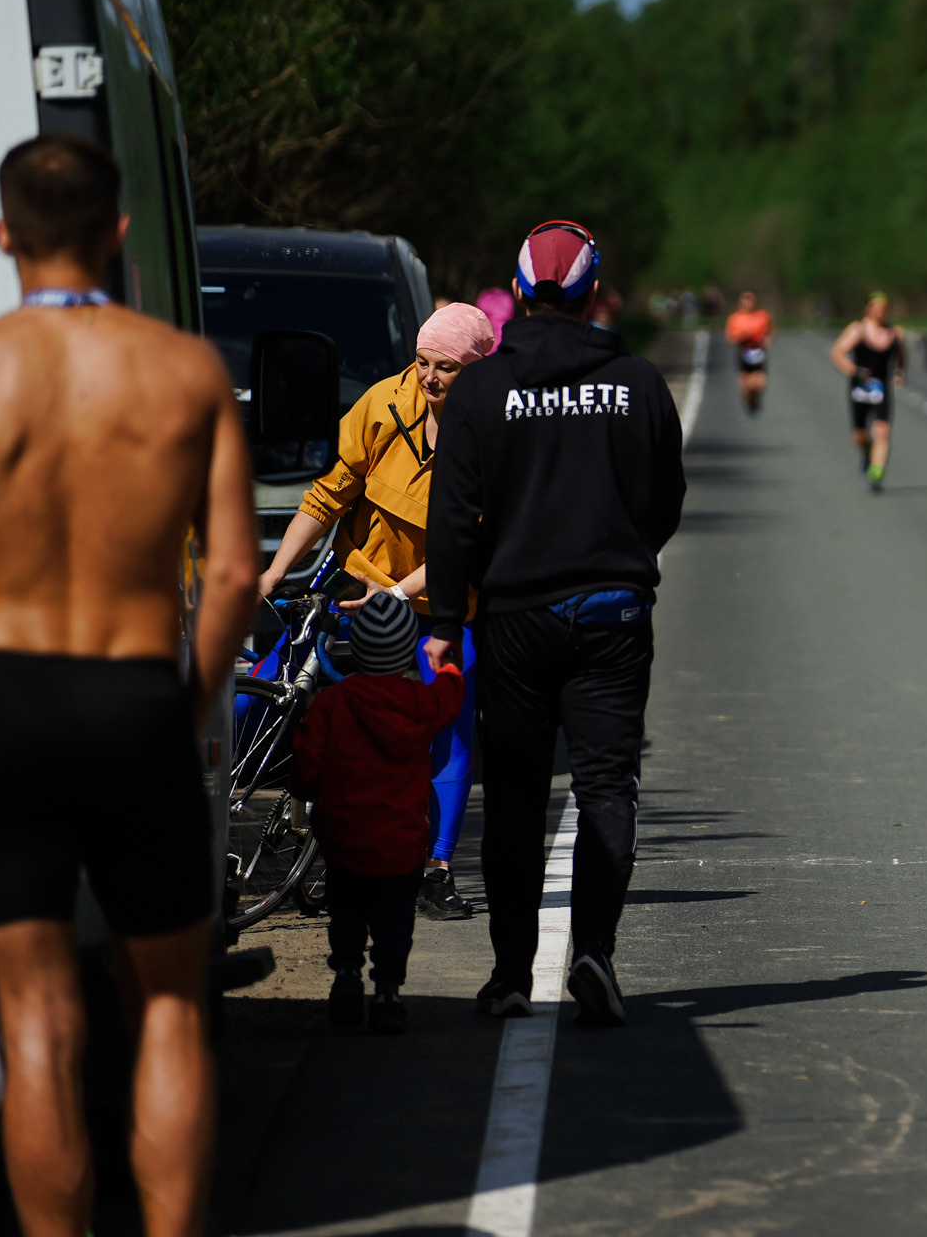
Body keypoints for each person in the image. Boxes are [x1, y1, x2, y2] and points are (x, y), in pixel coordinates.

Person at [0, 134, 259, 1237]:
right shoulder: (186, 371)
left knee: (35, 1018)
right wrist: (183, 705)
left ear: (2, 236)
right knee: (169, 1006)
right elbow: (231, 573)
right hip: (131, 696)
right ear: (119, 234)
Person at [426, 220, 685, 1027]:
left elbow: (452, 519)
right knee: (608, 784)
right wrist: (619, 553)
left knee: (513, 796)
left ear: (518, 292)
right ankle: (595, 954)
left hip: (515, 619)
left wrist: (443, 618)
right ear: (594, 294)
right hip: (612, 613)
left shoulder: (478, 390)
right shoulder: (638, 383)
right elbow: (665, 502)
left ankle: (509, 975)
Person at [257, 301, 499, 920]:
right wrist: (273, 572)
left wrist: (398, 595)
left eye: (446, 367)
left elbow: (463, 543)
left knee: (448, 722)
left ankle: (436, 870)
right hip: (358, 583)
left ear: (476, 371)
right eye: (422, 362)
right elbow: (329, 493)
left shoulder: (496, 432)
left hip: (443, 601)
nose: (429, 377)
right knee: (267, 689)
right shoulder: (383, 405)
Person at [291, 594, 467, 1035]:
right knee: (394, 922)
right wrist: (445, 663)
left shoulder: (336, 702)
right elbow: (450, 698)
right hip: (402, 843)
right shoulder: (419, 702)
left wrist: (308, 793)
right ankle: (388, 993)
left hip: (344, 835)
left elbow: (307, 762)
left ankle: (347, 976)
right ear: (408, 649)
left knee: (346, 913)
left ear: (359, 648)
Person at [830, 293, 906, 492]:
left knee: (882, 431)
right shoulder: (858, 330)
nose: (881, 312)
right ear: (869, 309)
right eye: (877, 307)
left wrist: (898, 374)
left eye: (884, 308)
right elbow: (837, 353)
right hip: (859, 388)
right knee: (860, 436)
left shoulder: (895, 333)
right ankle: (866, 454)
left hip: (881, 388)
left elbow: (901, 359)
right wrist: (853, 370)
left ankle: (876, 473)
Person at [725, 290, 774, 415]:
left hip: (758, 351)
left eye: (750, 299)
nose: (748, 302)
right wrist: (741, 336)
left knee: (759, 383)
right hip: (744, 352)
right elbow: (730, 338)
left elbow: (771, 330)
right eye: (745, 299)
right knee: (746, 384)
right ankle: (748, 399)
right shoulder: (735, 318)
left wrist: (767, 339)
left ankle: (755, 396)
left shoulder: (763, 316)